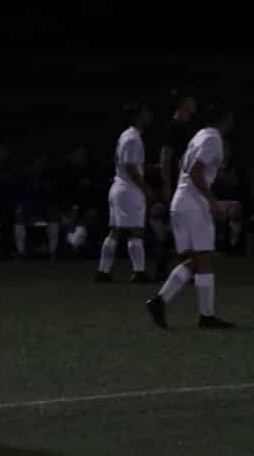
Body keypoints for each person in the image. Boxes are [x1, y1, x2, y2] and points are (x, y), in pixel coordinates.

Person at [148, 103, 237, 330]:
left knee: (195, 261)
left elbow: (182, 164)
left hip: (182, 201)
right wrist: (213, 201)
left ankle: (160, 301)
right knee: (204, 258)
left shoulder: (198, 136)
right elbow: (196, 170)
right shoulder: (214, 138)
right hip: (194, 204)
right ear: (225, 119)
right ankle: (206, 316)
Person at [100, 103, 155, 283]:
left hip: (119, 186)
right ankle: (139, 272)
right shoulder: (133, 138)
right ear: (139, 116)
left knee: (115, 231)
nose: (149, 115)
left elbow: (130, 163)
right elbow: (131, 167)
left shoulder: (125, 135)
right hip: (129, 190)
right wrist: (146, 188)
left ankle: (103, 270)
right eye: (146, 112)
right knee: (136, 231)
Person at [151, 93, 198, 254]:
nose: (194, 104)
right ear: (183, 104)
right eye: (192, 101)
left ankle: (181, 263)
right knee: (174, 223)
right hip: (176, 182)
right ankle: (165, 265)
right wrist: (167, 184)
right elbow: (165, 156)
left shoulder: (185, 126)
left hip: (184, 182)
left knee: (179, 223)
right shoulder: (174, 126)